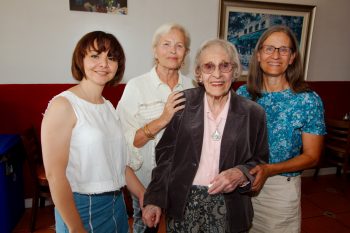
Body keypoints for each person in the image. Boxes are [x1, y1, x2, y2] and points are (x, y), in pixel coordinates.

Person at [142, 39, 269, 233]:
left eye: (224, 66)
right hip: (184, 201)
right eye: (209, 67)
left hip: (229, 205)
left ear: (234, 71)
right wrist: (154, 200)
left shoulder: (254, 113)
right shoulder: (182, 104)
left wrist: (241, 173)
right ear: (199, 74)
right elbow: (166, 157)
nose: (217, 74)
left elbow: (260, 161)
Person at [41, 31, 145, 233]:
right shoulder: (63, 105)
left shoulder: (107, 106)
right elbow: (55, 176)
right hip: (79, 207)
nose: (104, 64)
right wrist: (75, 227)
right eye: (95, 56)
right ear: (81, 59)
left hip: (116, 205)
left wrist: (143, 193)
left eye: (111, 58)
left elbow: (118, 164)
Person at [236, 25, 326, 233]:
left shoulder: (307, 100)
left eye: (283, 49)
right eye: (269, 49)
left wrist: (269, 169)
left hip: (279, 191)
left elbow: (312, 156)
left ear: (292, 57)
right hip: (241, 185)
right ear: (258, 55)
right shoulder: (243, 94)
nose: (275, 55)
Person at [116, 23, 196, 233]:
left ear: (185, 53)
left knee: (180, 227)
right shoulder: (136, 86)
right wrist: (163, 118)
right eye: (166, 44)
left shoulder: (191, 87)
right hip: (145, 181)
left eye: (179, 46)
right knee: (146, 227)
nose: (172, 50)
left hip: (181, 181)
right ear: (155, 50)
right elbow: (128, 141)